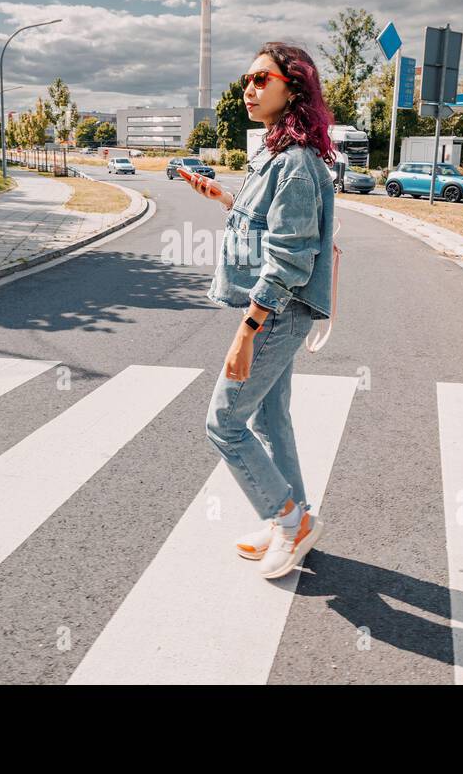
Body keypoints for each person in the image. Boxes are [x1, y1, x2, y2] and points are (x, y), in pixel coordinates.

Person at [181, 41, 336, 579]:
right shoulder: (273, 155)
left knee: (223, 422)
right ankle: (289, 522)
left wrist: (247, 332)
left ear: (292, 88)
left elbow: (291, 256)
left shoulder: (294, 164)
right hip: (276, 309)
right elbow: (268, 223)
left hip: (277, 310)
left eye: (261, 80)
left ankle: (289, 520)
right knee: (270, 417)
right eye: (246, 79)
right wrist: (225, 199)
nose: (249, 88)